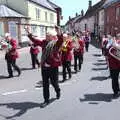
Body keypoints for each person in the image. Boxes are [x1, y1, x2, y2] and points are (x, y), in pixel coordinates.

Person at [27, 26, 63, 105]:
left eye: (48, 35)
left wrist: (59, 32)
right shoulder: (44, 42)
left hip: (53, 67)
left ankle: (58, 90)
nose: (46, 36)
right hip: (44, 67)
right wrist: (29, 35)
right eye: (46, 35)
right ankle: (46, 100)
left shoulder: (56, 43)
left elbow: (61, 40)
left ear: (52, 37)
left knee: (54, 83)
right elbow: (35, 41)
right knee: (45, 84)